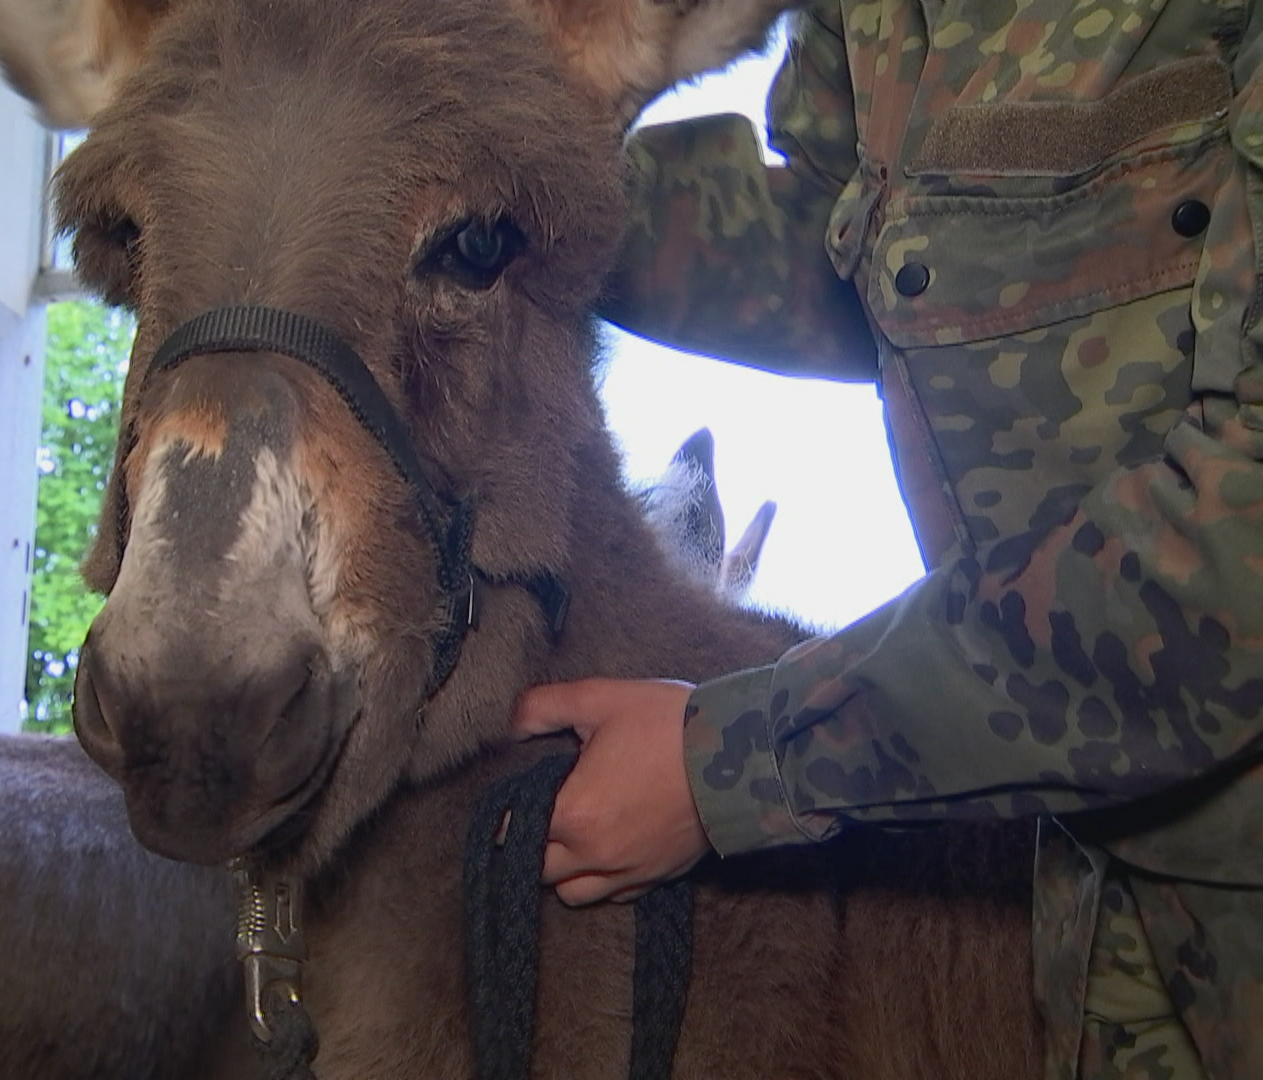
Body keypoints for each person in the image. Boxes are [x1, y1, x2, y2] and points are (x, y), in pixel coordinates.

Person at [512, 1, 1263, 1077]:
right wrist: (492, 166)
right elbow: (855, 246)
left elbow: (1234, 571)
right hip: (1090, 907)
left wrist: (727, 763)